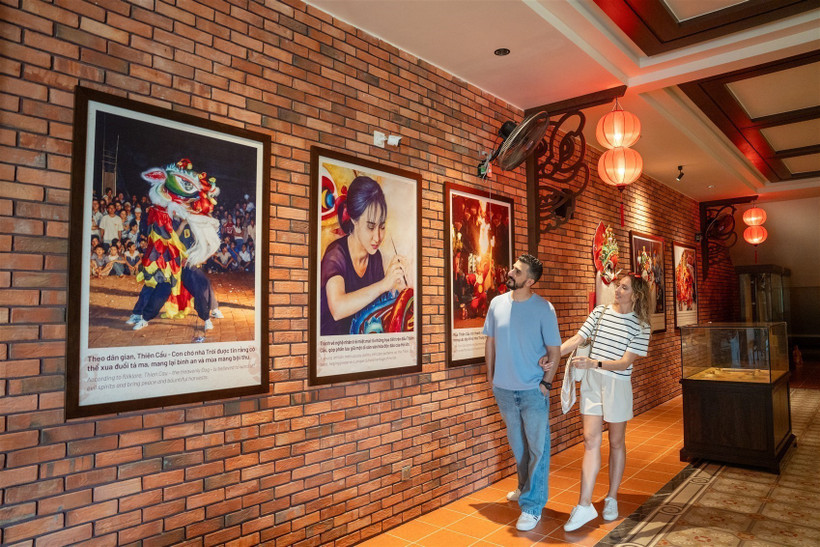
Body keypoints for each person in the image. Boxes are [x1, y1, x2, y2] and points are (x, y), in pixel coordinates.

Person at [557, 272, 651, 532]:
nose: (617, 290)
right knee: (590, 441)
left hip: (617, 385)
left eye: (624, 287)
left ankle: (611, 497)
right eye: (618, 286)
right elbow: (578, 339)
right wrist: (553, 355)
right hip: (592, 382)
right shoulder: (599, 312)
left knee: (617, 442)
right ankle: (584, 504)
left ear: (636, 295)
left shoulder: (641, 326)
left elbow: (624, 363)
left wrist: (594, 362)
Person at [483, 254, 561, 532]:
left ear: (529, 281)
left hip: (532, 391)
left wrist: (545, 384)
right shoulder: (496, 304)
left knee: (538, 448)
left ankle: (532, 506)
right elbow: (490, 342)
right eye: (513, 268)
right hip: (504, 390)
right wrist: (491, 377)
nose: (510, 272)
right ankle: (524, 487)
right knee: (519, 446)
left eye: (517, 271)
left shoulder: (544, 309)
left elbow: (554, 351)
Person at [320, 176, 407, 335]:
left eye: (382, 227)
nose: (377, 237)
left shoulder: (375, 256)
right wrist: (384, 284)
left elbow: (374, 310)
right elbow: (337, 308)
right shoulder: (335, 254)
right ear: (354, 220)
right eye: (370, 227)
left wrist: (398, 291)